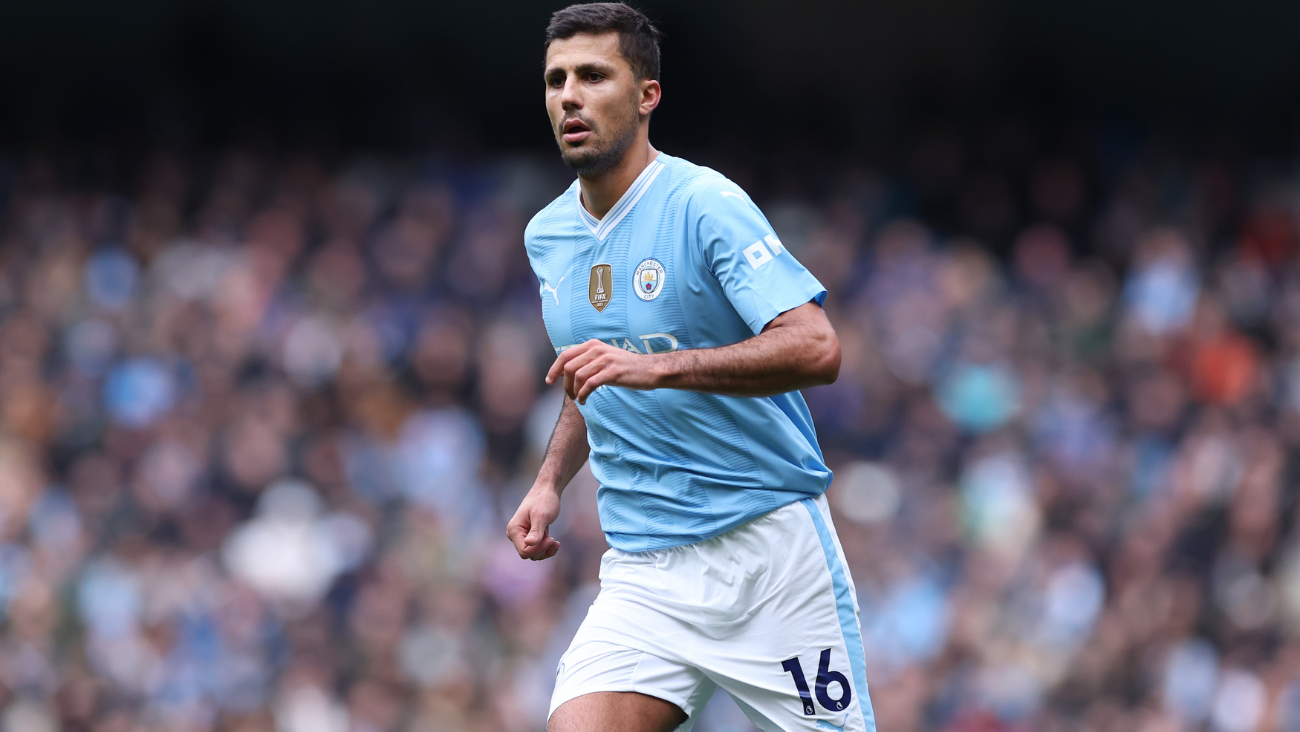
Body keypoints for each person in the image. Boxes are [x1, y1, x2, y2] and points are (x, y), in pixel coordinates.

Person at [506, 4, 877, 731]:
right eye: (556, 80)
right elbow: (597, 374)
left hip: (767, 557)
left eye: (592, 75)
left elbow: (817, 347)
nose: (569, 97)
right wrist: (550, 481)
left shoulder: (704, 203)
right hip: (645, 571)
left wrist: (664, 368)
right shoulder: (547, 234)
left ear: (646, 95)